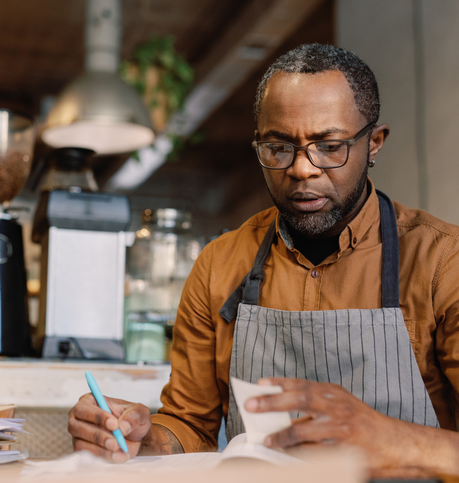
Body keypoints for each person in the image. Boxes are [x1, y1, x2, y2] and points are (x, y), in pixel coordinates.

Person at [68, 44, 459, 475]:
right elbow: (190, 426)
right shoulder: (220, 264)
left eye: (329, 146)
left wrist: (389, 439)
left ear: (374, 144)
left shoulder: (443, 262)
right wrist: (139, 439)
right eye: (278, 147)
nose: (302, 169)